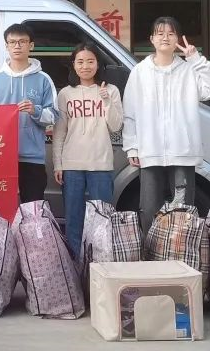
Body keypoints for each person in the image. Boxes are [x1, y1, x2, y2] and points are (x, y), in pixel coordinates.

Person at [123, 16, 210, 234]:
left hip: (182, 151)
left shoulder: (189, 70)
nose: (165, 38)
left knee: (183, 210)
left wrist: (196, 59)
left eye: (170, 34)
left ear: (177, 39)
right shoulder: (140, 72)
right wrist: (132, 146)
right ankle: (150, 251)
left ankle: (181, 251)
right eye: (160, 33)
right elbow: (129, 112)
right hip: (150, 150)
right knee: (149, 208)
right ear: (152, 39)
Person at [53, 42, 124, 260]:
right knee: (73, 219)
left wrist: (106, 101)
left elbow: (116, 126)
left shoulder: (111, 90)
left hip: (101, 163)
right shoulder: (65, 94)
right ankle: (76, 264)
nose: (85, 66)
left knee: (102, 218)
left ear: (98, 64)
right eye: (80, 62)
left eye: (90, 61)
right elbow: (60, 131)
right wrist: (58, 163)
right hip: (72, 164)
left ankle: (101, 264)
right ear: (73, 65)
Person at [0, 23, 59, 204]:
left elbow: (54, 116)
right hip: (0, 155)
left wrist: (35, 110)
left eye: (22, 41)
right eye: (12, 42)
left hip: (33, 158)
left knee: (32, 208)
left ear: (31, 45)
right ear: (6, 46)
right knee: (0, 208)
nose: (17, 46)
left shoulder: (43, 79)